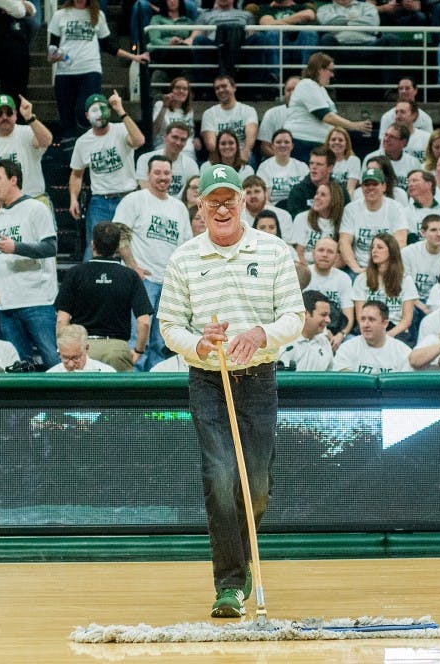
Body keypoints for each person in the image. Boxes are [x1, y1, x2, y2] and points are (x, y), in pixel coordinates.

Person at [158, 163, 304, 618]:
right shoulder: (184, 258)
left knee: (256, 485)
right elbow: (169, 326)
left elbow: (295, 318)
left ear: (244, 202)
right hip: (208, 380)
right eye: (213, 202)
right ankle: (230, 583)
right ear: (200, 207)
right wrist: (199, 342)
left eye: (229, 200)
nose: (222, 209)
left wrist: (260, 334)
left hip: (259, 379)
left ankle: (241, 563)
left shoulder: (274, 251)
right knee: (220, 478)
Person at [112, 155, 192, 369]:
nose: (162, 177)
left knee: (162, 342)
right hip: (142, 281)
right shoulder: (135, 200)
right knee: (138, 337)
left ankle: (157, 384)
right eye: (157, 172)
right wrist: (133, 267)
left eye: (166, 173)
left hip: (170, 284)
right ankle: (136, 385)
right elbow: (119, 234)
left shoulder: (179, 207)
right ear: (148, 174)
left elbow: (186, 246)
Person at [0, 159, 59, 368]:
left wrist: (16, 247)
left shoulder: (36, 208)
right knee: (19, 366)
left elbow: (50, 247)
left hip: (37, 299)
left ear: (13, 180)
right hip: (7, 303)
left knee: (53, 361)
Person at [55, 222, 154, 372]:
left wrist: (64, 349)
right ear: (117, 247)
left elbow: (62, 319)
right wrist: (138, 351)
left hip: (81, 349)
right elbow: (144, 322)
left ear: (93, 244)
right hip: (117, 350)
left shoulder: (75, 273)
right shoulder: (130, 276)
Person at [48, 0, 149, 140]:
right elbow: (52, 48)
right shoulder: (60, 15)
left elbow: (108, 46)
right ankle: (69, 148)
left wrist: (134, 57)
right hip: (65, 72)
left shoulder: (97, 14)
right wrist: (54, 56)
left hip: (90, 70)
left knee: (84, 110)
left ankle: (90, 142)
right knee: (66, 118)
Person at [69, 92, 144, 261]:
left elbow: (139, 141)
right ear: (87, 115)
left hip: (127, 197)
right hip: (100, 201)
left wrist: (121, 111)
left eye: (103, 109)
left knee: (132, 247)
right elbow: (76, 174)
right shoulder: (82, 142)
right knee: (94, 246)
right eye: (94, 110)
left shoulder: (122, 129)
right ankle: (89, 277)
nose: (100, 113)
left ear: (109, 111)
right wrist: (73, 198)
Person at [0, 94, 53, 212]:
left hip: (31, 202)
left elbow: (47, 141)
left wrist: (30, 117)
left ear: (15, 115)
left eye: (9, 113)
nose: (4, 117)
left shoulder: (28, 133)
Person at [315, 0, 401, 89]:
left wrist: (342, 23)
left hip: (369, 46)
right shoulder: (324, 9)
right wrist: (356, 18)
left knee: (391, 39)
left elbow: (372, 24)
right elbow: (326, 22)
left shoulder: (368, 7)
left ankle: (391, 90)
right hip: (340, 46)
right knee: (327, 39)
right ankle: (329, 88)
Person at [351, 233, 419, 343]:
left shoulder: (405, 280)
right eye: (372, 247)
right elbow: (360, 316)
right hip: (369, 329)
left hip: (396, 332)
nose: (374, 251)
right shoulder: (362, 279)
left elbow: (407, 320)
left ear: (391, 251)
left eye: (380, 247)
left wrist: (388, 335)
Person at [338, 167, 407, 274]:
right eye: (366, 184)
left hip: (387, 267)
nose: (370, 188)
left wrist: (384, 267)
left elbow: (400, 242)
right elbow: (344, 242)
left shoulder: (396, 208)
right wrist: (356, 269)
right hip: (359, 266)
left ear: (384, 186)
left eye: (375, 184)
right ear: (361, 188)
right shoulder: (351, 209)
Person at [333, 300, 411, 373]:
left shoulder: (402, 352)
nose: (365, 325)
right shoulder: (347, 348)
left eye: (371, 319)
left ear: (385, 324)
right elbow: (343, 378)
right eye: (363, 319)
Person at [304, 237, 354, 347]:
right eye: (321, 250)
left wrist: (341, 335)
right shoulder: (303, 274)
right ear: (313, 253)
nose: (325, 255)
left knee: (351, 342)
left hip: (335, 330)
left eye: (330, 252)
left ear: (336, 257)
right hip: (307, 331)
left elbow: (348, 315)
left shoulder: (343, 278)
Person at [200, 76, 258, 165]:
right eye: (217, 88)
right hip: (220, 154)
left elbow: (251, 137)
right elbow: (211, 145)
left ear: (234, 87)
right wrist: (227, 157)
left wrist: (245, 152)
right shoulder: (209, 113)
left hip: (242, 153)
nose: (221, 90)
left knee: (250, 158)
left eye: (224, 86)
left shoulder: (248, 110)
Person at [277, 290, 334, 371]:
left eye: (328, 315)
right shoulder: (285, 342)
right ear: (305, 314)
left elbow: (330, 373)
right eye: (323, 315)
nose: (328, 320)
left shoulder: (324, 341)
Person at [290, 181, 344, 264]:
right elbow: (299, 254)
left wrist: (329, 269)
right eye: (317, 193)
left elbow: (342, 258)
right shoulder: (302, 218)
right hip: (306, 265)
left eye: (323, 195)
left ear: (334, 200)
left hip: (331, 267)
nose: (316, 197)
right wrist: (310, 270)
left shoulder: (343, 220)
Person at [255, 130, 307, 205]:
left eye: (286, 142)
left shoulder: (302, 166)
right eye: (278, 142)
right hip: (273, 208)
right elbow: (262, 197)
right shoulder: (264, 167)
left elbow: (307, 193)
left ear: (292, 146)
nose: (282, 145)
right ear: (272, 146)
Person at [46, 324, 118, 372]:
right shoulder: (51, 376)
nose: (71, 365)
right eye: (65, 358)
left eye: (76, 358)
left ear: (86, 348)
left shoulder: (106, 372)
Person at [325, 127, 361, 197]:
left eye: (340, 140)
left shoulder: (354, 160)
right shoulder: (323, 160)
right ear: (328, 143)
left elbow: (350, 189)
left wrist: (347, 203)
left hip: (346, 197)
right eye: (333, 139)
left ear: (346, 144)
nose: (337, 142)